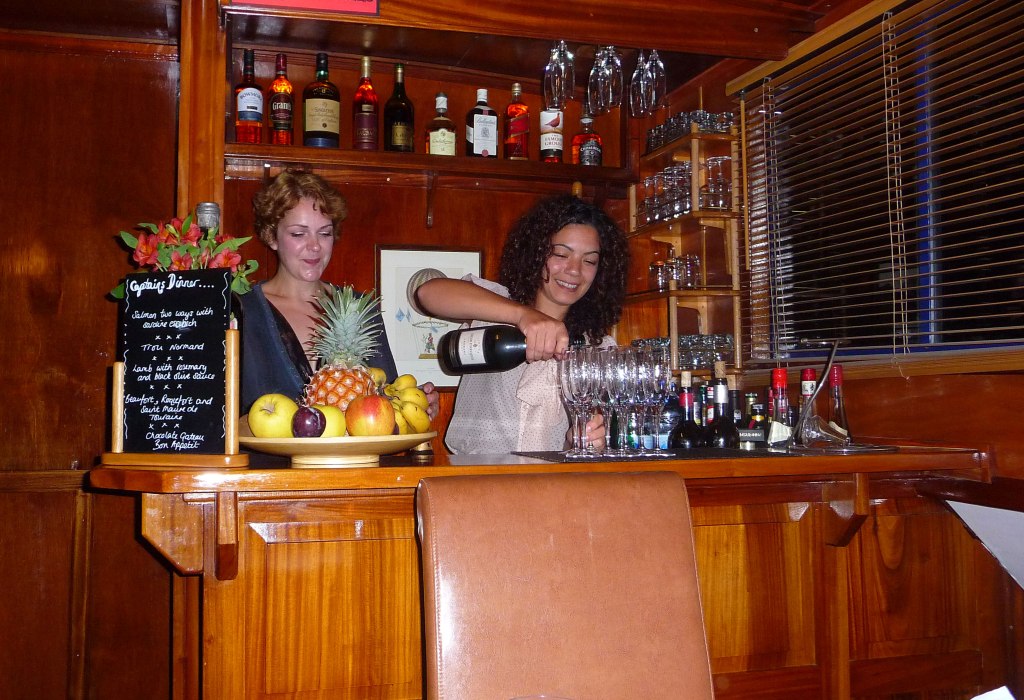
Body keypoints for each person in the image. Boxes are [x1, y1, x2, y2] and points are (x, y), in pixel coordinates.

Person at [408, 194, 629, 454]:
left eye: (589, 261)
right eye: (561, 254)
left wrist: (578, 441)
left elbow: (584, 445)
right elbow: (428, 293)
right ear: (536, 252)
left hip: (552, 488)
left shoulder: (597, 349)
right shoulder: (496, 306)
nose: (574, 270)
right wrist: (522, 316)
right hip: (475, 484)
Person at [238, 168, 437, 417]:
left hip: (355, 457)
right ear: (271, 236)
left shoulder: (359, 310)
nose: (314, 246)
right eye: (298, 234)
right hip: (262, 458)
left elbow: (386, 400)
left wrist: (417, 404)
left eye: (325, 233)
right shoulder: (242, 312)